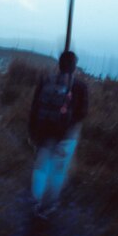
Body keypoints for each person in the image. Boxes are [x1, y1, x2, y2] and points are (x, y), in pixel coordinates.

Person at [28, 50, 88, 218]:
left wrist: (32, 131)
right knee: (58, 171)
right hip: (66, 136)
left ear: (59, 64)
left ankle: (36, 200)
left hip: (44, 132)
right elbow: (82, 113)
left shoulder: (45, 81)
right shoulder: (80, 86)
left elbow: (34, 108)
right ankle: (48, 206)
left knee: (41, 167)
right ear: (74, 66)